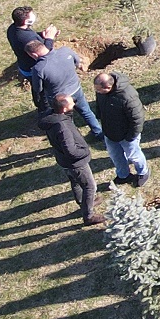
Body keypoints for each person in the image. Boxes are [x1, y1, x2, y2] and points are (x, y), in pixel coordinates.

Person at [38, 93, 103, 225]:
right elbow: (71, 151)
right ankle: (88, 216)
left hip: (64, 161)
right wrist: (85, 151)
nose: (74, 103)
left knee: (75, 182)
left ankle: (83, 203)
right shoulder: (63, 128)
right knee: (90, 187)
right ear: (64, 109)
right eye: (71, 103)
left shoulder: (52, 117)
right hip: (76, 163)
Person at [91, 71, 147, 187]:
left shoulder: (128, 96)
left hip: (127, 135)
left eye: (99, 90)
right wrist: (99, 115)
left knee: (134, 155)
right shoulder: (102, 92)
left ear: (108, 87)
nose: (97, 92)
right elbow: (99, 104)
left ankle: (143, 173)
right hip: (110, 132)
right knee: (115, 156)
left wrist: (131, 137)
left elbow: (137, 118)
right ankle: (123, 175)